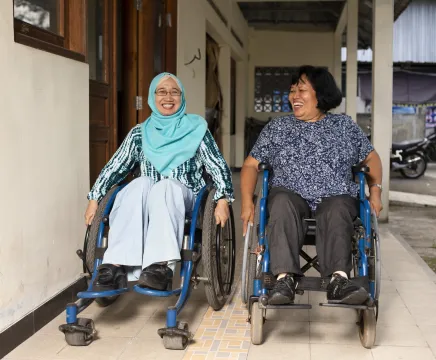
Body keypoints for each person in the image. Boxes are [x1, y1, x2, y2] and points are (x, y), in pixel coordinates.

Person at [240, 65, 382, 306]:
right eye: (292, 90)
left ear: (321, 95)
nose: (294, 96)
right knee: (281, 203)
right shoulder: (278, 128)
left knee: (337, 209)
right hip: (289, 194)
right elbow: (251, 165)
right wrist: (246, 201)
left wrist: (375, 191)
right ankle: (284, 279)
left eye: (302, 90)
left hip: (336, 195)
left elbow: (371, 158)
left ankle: (338, 281)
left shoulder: (344, 126)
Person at [85, 72, 234, 292]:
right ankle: (114, 265)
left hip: (184, 198)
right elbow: (115, 167)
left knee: (166, 186)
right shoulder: (139, 133)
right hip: (147, 197)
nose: (168, 97)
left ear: (182, 98)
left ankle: (159, 267)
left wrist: (222, 198)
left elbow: (217, 165)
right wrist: (95, 197)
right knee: (139, 184)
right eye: (162, 91)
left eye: (175, 92)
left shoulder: (197, 130)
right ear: (152, 97)